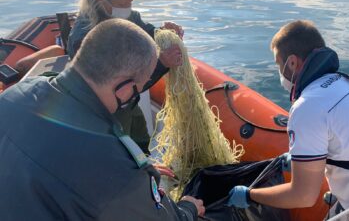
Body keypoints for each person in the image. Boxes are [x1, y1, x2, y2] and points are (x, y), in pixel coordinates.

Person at [0, 19, 204, 220]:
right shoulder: (111, 160)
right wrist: (188, 208)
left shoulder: (14, 94)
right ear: (123, 87)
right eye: (138, 89)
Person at [227, 20, 349, 215]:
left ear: (292, 63)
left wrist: (250, 195)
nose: (280, 73)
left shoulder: (307, 107)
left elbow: (303, 196)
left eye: (279, 64)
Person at [67, 0, 184, 153]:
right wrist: (162, 64)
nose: (128, 8)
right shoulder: (85, 37)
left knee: (142, 148)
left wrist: (164, 33)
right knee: (122, 157)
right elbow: (119, 89)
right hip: (104, 115)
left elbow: (146, 33)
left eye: (130, 2)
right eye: (122, 3)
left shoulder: (129, 17)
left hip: (129, 107)